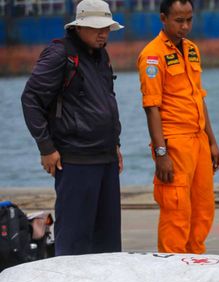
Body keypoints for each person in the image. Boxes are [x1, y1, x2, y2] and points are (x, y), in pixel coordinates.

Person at [21, 0, 124, 256]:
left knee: (108, 242)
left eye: (107, 28)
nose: (103, 33)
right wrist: (46, 147)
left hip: (106, 158)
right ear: (79, 27)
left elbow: (108, 100)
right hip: (76, 159)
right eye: (97, 28)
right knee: (74, 241)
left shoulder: (101, 55)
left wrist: (116, 144)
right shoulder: (60, 54)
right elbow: (31, 99)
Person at [137, 0, 219, 254]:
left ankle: (195, 261)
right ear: (163, 18)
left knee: (203, 207)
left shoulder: (192, 50)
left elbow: (199, 97)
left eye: (189, 20)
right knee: (176, 210)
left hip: (198, 140)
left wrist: (212, 141)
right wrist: (161, 153)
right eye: (179, 20)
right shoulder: (152, 56)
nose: (185, 26)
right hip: (174, 142)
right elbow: (151, 107)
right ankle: (171, 267)